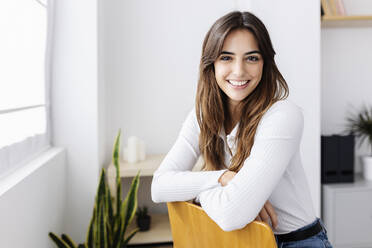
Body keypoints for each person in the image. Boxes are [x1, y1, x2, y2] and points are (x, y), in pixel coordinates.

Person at [151, 11, 332, 247]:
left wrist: (198, 189)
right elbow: (159, 187)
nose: (239, 71)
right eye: (226, 58)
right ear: (211, 63)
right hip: (241, 240)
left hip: (295, 242)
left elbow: (231, 215)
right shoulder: (203, 115)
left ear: (265, 63)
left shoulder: (283, 116)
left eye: (252, 58)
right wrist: (222, 178)